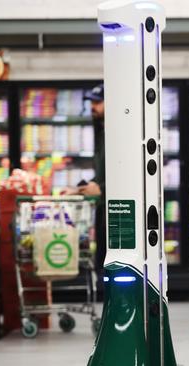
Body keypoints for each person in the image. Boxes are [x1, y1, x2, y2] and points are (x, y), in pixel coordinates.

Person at [63, 84, 106, 297]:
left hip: (116, 208)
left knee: (109, 259)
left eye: (98, 102)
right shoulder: (101, 130)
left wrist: (101, 188)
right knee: (102, 258)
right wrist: (80, 189)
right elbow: (102, 175)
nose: (93, 107)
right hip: (103, 206)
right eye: (91, 102)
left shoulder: (119, 133)